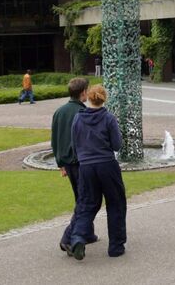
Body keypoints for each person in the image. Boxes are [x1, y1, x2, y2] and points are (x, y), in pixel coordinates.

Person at [69, 85, 127, 260]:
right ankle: (116, 246)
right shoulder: (108, 118)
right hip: (106, 164)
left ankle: (78, 237)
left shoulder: (78, 118)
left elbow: (74, 144)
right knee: (116, 203)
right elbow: (117, 145)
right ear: (104, 99)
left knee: (87, 203)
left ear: (89, 98)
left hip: (86, 166)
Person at [51, 78, 98, 254]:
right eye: (87, 90)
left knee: (81, 198)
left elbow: (55, 139)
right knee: (87, 201)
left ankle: (87, 233)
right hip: (80, 163)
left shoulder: (59, 112)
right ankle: (68, 238)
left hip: (68, 164)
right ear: (83, 92)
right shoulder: (82, 112)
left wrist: (60, 164)